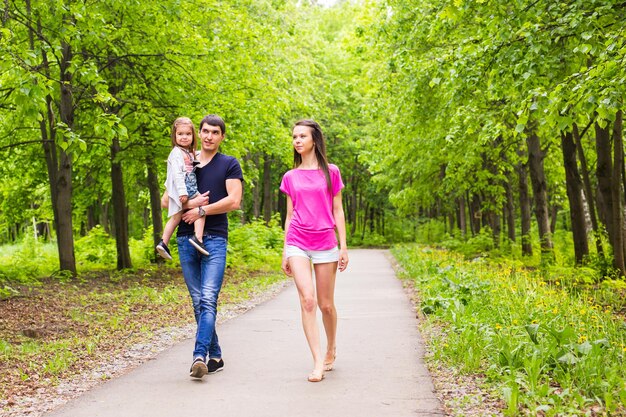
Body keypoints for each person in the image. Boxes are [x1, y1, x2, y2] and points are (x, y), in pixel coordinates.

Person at [162, 114, 243, 379]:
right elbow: (166, 201)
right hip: (186, 238)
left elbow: (234, 201)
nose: (209, 136)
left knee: (208, 298)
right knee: (198, 302)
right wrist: (191, 206)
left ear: (222, 136)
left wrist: (203, 210)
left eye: (215, 132)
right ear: (199, 132)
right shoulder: (185, 160)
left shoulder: (229, 164)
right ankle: (215, 355)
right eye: (205, 131)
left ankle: (199, 355)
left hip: (215, 239)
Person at [280, 119, 349, 383]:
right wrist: (286, 250)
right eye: (294, 137)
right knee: (307, 300)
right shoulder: (290, 176)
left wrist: (343, 246)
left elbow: (338, 210)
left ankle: (331, 347)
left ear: (313, 140)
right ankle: (318, 361)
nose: (297, 140)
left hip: (325, 244)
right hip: (297, 240)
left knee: (326, 304)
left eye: (302, 136)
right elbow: (289, 215)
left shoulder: (331, 172)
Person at [156, 117, 208, 260]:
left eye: (188, 134)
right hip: (186, 188)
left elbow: (191, 166)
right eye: (180, 134)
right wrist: (183, 193)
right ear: (174, 136)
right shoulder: (176, 153)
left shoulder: (187, 152)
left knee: (176, 217)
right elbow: (178, 175)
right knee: (202, 204)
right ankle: (198, 238)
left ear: (193, 136)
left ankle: (163, 243)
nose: (184, 137)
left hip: (187, 187)